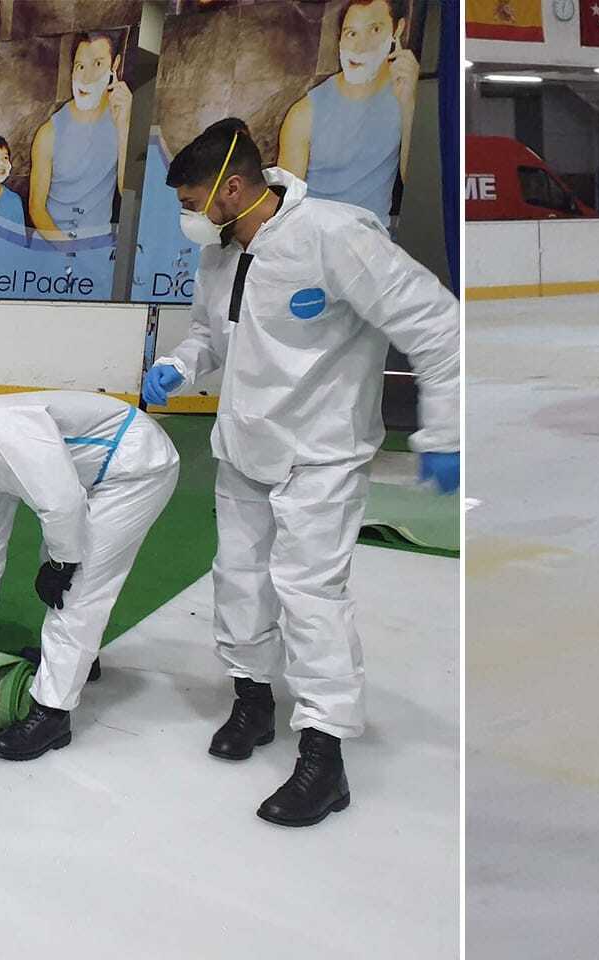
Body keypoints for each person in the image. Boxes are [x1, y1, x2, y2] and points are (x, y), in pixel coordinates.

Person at [142, 118, 459, 827]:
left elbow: (438, 325)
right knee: (239, 581)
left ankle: (324, 751)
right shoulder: (222, 253)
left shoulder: (335, 237)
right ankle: (252, 700)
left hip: (321, 453)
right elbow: (210, 334)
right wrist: (179, 365)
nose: (188, 218)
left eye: (192, 203)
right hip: (244, 446)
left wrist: (445, 429)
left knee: (312, 598)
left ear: (232, 188)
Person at [0, 371, 179, 761]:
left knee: (78, 586)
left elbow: (62, 503)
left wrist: (64, 564)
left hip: (135, 467)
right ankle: (81, 661)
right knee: (59, 556)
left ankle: (51, 714)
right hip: (96, 476)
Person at [277, 0, 418, 226]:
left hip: (370, 238)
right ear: (340, 40)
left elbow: (417, 185)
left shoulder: (405, 95)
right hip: (312, 236)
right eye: (351, 34)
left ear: (397, 30)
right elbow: (286, 206)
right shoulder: (304, 112)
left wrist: (410, 104)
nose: (360, 47)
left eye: (374, 30)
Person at [28, 31, 131, 243]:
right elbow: (36, 208)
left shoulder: (122, 118)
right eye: (80, 66)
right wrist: (67, 250)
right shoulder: (48, 133)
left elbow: (128, 191)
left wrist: (124, 126)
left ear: (114, 65)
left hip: (98, 247)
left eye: (98, 64)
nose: (87, 77)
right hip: (53, 245)